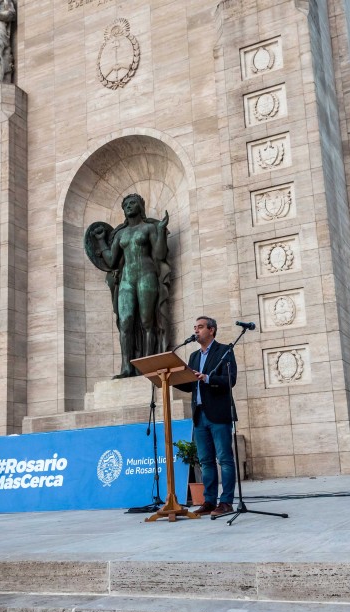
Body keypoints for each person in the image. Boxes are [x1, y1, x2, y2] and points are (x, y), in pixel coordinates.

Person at [87, 194, 171, 377]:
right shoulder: (120, 234)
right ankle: (126, 367)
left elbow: (159, 255)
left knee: (147, 321)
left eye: (132, 203)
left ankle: (148, 364)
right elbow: (111, 261)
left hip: (146, 276)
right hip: (126, 279)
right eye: (125, 205)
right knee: (125, 322)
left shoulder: (149, 228)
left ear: (140, 206)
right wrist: (101, 240)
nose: (128, 207)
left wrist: (162, 231)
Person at [174, 316, 238, 516]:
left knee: (224, 459)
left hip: (218, 414)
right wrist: (169, 377)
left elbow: (231, 380)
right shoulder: (193, 356)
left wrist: (208, 378)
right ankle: (209, 501)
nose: (196, 331)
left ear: (211, 330)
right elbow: (189, 384)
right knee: (205, 461)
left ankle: (226, 501)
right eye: (195, 328)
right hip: (200, 415)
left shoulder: (224, 350)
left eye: (200, 327)